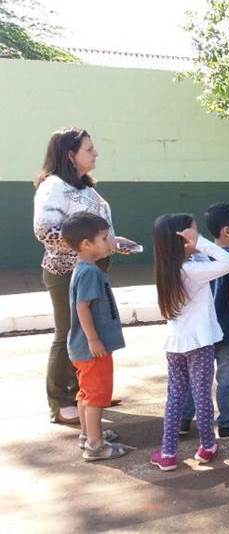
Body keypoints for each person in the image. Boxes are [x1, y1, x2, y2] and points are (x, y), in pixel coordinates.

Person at [32, 127, 139, 425]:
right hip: (67, 272)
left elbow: (96, 231)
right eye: (89, 149)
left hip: (93, 270)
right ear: (70, 154)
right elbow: (45, 230)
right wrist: (87, 248)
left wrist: (114, 244)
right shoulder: (53, 187)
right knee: (68, 333)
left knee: (92, 332)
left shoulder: (85, 188)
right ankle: (60, 401)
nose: (95, 154)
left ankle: (86, 391)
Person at [149, 214, 229, 471]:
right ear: (183, 239)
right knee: (201, 395)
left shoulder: (170, 266)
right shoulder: (193, 270)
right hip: (199, 343)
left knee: (175, 396)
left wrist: (195, 246)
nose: (198, 237)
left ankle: (167, 453)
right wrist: (200, 242)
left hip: (176, 344)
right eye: (193, 233)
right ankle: (208, 446)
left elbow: (207, 259)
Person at [180, 204, 229, 440]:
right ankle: (226, 424)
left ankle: (184, 418)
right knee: (228, 380)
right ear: (227, 231)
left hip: (203, 331)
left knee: (196, 377)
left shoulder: (201, 256)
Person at [62, 213, 128, 461]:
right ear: (86, 244)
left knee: (85, 394)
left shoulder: (84, 268)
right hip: (92, 350)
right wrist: (94, 340)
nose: (108, 240)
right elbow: (82, 307)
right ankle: (95, 445)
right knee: (97, 397)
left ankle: (87, 434)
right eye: (103, 238)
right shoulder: (90, 273)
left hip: (82, 348)